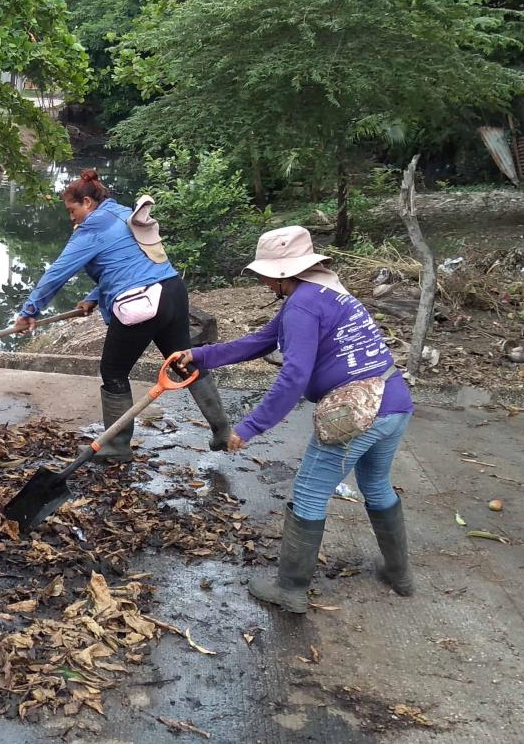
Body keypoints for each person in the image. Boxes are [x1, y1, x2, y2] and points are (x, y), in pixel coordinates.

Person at [177, 226, 415, 614]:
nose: (260, 279)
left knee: (308, 494)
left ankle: (289, 589)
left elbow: (294, 375)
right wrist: (200, 355)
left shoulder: (302, 305)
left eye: (263, 272)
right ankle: (399, 575)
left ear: (283, 272)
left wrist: (250, 427)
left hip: (354, 413)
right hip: (394, 402)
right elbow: (261, 341)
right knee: (375, 483)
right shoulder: (322, 292)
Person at [11, 169, 230, 457]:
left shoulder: (92, 229)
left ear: (88, 203)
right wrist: (93, 297)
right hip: (172, 290)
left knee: (113, 371)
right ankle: (223, 431)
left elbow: (57, 274)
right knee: (182, 361)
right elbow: (125, 265)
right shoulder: (124, 214)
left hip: (144, 302)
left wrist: (29, 311)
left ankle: (115, 448)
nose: (71, 217)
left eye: (72, 209)